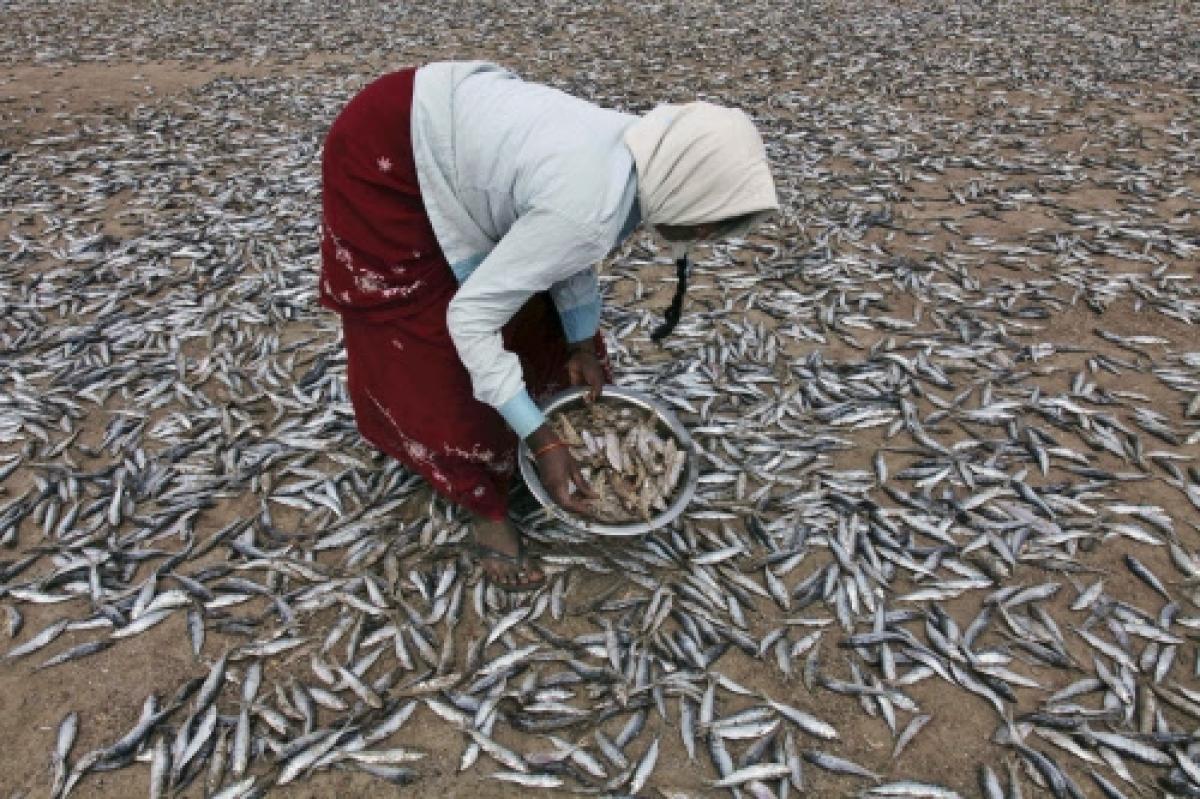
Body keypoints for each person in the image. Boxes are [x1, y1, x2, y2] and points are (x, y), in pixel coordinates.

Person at [319, 61, 778, 591]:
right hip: (387, 153)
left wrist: (580, 342)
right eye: (706, 221)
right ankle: (482, 505)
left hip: (443, 121)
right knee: (425, 341)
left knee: (531, 306)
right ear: (684, 185)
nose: (699, 235)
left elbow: (567, 248)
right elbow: (472, 314)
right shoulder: (591, 195)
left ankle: (514, 422)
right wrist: (543, 440)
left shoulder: (643, 155)